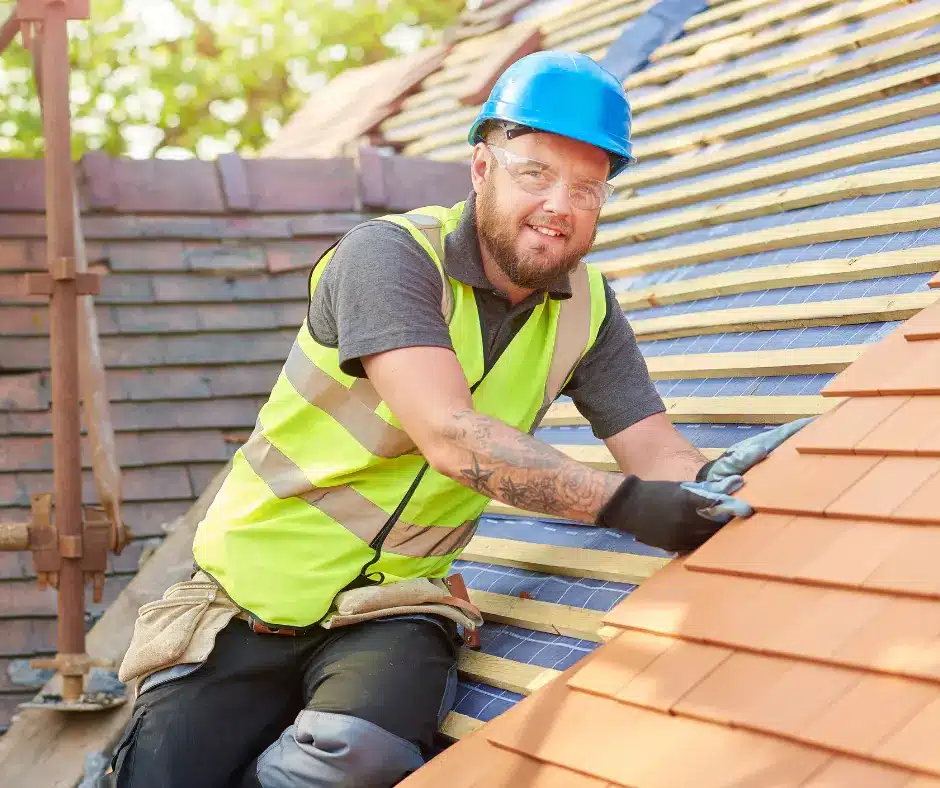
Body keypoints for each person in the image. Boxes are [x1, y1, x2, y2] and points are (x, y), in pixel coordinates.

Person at [109, 51, 806, 788]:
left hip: (394, 604)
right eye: (535, 172)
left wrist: (708, 482)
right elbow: (448, 435)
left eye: (587, 188)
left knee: (356, 756)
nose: (560, 206)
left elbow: (655, 450)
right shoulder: (389, 259)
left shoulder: (591, 312)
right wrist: (632, 508)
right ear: (482, 168)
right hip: (245, 598)